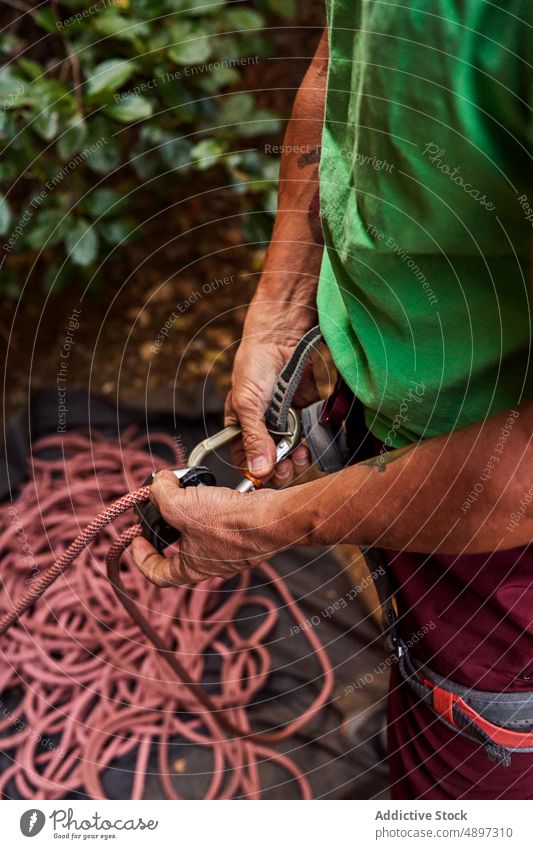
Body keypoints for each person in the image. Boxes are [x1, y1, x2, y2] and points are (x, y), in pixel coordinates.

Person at [132, 2, 533, 799]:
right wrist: (280, 308)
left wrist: (269, 526)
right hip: (397, 423)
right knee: (418, 685)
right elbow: (341, 57)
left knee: (456, 792)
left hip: (502, 548)